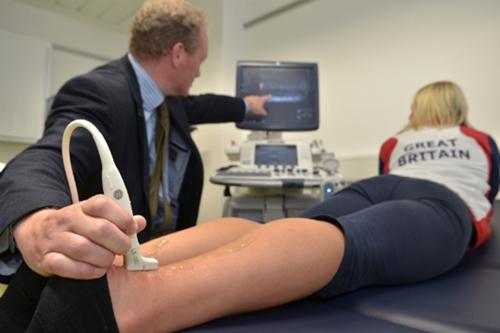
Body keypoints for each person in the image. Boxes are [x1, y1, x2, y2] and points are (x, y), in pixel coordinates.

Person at [0, 80, 497, 332]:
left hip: (375, 186)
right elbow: (488, 195)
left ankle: (105, 269)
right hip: (440, 202)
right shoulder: (481, 140)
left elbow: (390, 175)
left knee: (290, 225)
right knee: (351, 246)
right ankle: (129, 304)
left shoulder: (395, 143)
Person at [0, 0, 271, 281]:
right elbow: (43, 158)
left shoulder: (170, 101)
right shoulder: (97, 92)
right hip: (116, 274)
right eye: (199, 61)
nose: (199, 72)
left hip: (165, 258)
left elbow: (207, 105)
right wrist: (36, 217)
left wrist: (248, 105)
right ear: (178, 54)